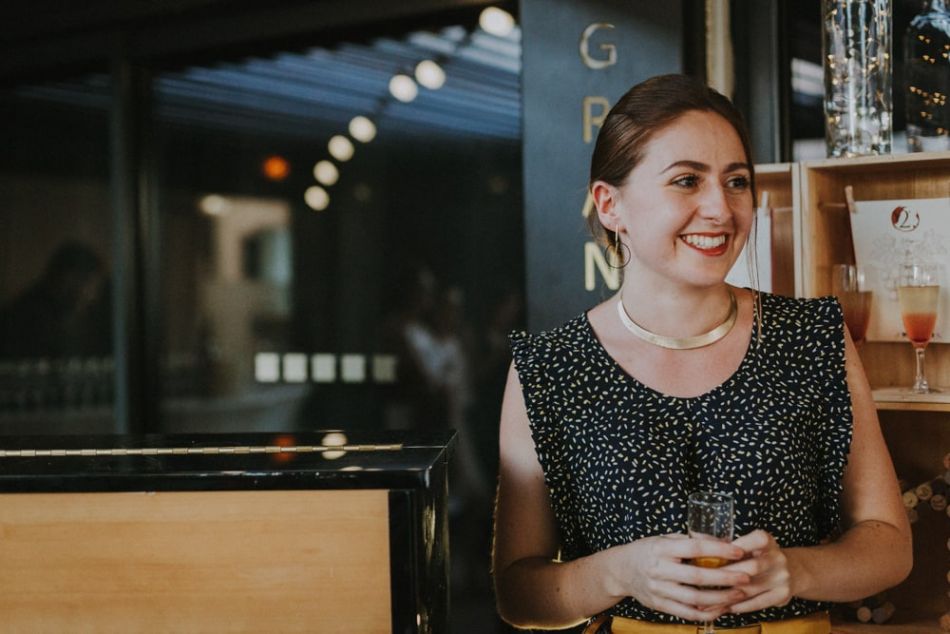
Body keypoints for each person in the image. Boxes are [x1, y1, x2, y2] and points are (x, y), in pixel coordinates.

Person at [492, 75, 912, 633]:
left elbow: (889, 545)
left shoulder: (812, 336)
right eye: (687, 181)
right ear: (609, 204)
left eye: (736, 182)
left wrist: (795, 570)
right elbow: (518, 593)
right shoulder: (548, 368)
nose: (720, 208)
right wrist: (620, 573)